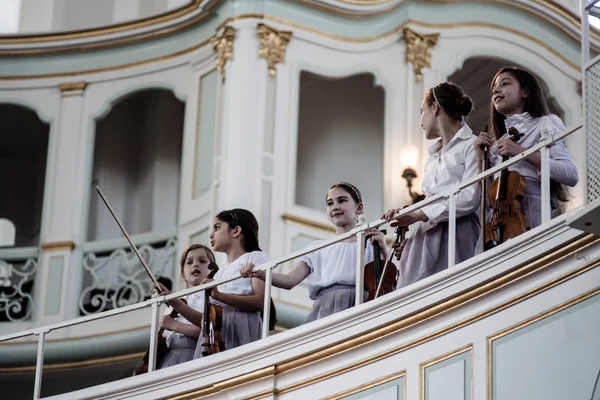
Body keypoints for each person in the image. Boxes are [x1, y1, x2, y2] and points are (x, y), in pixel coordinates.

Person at [241, 182, 386, 322]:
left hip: (360, 302)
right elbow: (289, 280)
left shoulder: (369, 242)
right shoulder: (317, 248)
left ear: (359, 208)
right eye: (330, 203)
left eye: (341, 201)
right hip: (325, 308)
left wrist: (383, 249)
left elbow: (387, 279)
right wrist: (261, 273)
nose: (335, 206)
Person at [382, 82, 481, 288]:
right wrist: (407, 213)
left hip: (456, 230)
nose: (420, 119)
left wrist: (419, 214)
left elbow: (470, 197)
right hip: (426, 234)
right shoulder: (433, 155)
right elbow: (430, 199)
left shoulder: (471, 145)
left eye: (421, 111)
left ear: (435, 108)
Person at [474, 66, 578, 231]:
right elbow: (489, 199)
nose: (496, 90)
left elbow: (571, 175)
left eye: (505, 84)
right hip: (497, 223)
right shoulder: (496, 146)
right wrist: (481, 158)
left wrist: (520, 152)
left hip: (531, 210)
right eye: (494, 89)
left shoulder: (545, 123)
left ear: (525, 92)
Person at [194, 209, 269, 355]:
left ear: (236, 231)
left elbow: (261, 301)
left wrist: (220, 296)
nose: (211, 234)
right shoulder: (219, 272)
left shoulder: (255, 258)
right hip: (215, 332)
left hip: (241, 324)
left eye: (217, 227)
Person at [157, 244, 214, 368]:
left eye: (202, 261)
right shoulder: (173, 305)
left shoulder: (211, 298)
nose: (195, 265)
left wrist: (174, 325)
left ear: (212, 270)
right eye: (189, 262)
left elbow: (207, 330)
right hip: (171, 358)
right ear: (183, 272)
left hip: (193, 355)